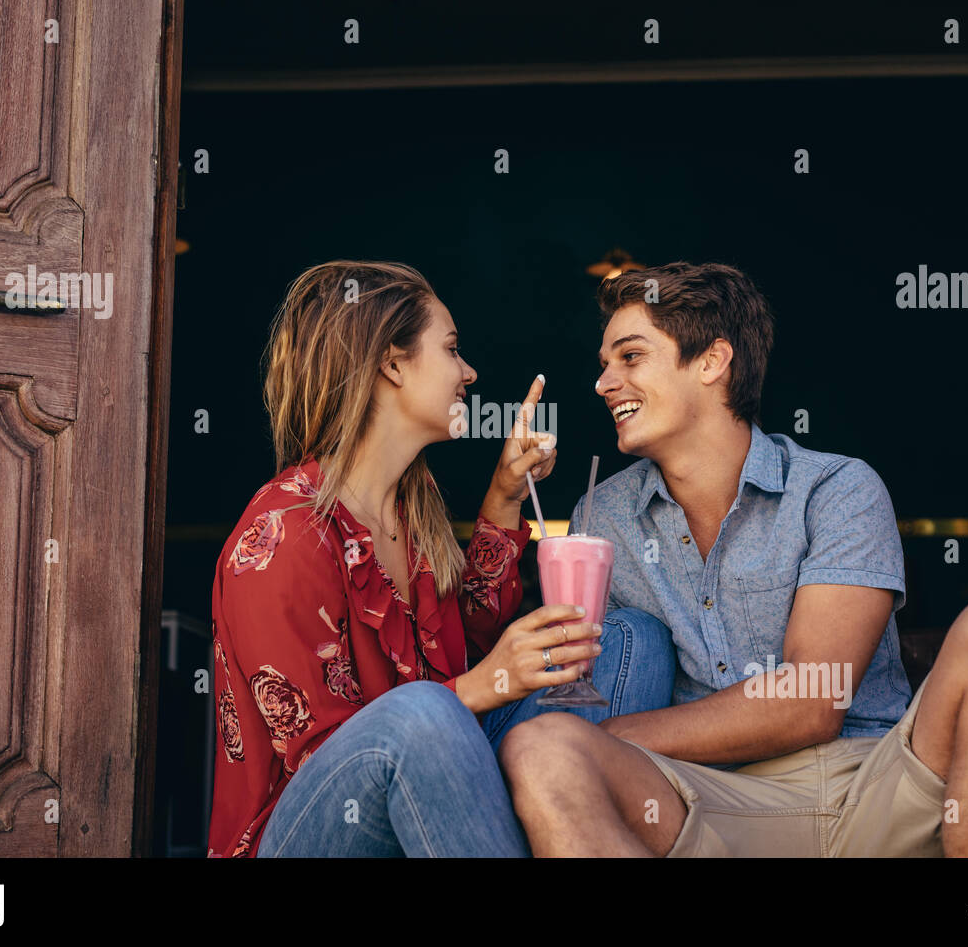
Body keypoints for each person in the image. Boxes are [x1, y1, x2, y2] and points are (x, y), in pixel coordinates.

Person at [497, 261, 968, 857]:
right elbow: (567, 672)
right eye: (604, 364)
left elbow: (812, 701)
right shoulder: (602, 519)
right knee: (542, 748)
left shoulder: (836, 489)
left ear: (711, 362)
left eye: (631, 357)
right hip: (710, 805)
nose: (604, 382)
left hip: (872, 791)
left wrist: (614, 738)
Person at [206, 260, 676, 857]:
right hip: (311, 832)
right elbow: (334, 758)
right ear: (393, 364)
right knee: (423, 716)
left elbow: (470, 642)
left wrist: (504, 496)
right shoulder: (283, 538)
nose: (469, 372)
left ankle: (572, 829)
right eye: (452, 350)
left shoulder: (411, 507)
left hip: (437, 778)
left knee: (628, 638)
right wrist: (481, 687)